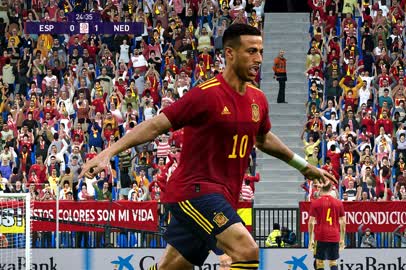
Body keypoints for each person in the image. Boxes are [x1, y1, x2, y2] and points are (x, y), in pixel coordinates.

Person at [80, 24, 335, 270]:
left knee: (173, 267)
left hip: (223, 195)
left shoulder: (258, 98)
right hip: (195, 193)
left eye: (260, 51)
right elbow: (157, 125)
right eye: (251, 51)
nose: (258, 58)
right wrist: (107, 152)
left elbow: (262, 138)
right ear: (229, 54)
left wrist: (304, 167)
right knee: (246, 251)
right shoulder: (206, 94)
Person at [308, 181, 346, 270]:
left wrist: (311, 239)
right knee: (333, 262)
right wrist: (342, 238)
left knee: (319, 262)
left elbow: (310, 222)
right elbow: (343, 222)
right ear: (330, 188)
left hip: (321, 235)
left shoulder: (315, 203)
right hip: (334, 235)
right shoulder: (338, 203)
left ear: (321, 188)